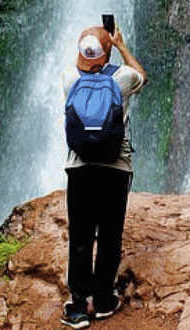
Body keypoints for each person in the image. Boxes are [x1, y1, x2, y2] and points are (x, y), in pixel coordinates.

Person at [59, 24, 145, 328]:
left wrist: (88, 48)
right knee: (109, 235)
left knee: (80, 237)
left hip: (80, 168)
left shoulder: (70, 77)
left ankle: (78, 306)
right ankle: (105, 300)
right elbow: (142, 76)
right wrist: (119, 45)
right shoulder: (122, 78)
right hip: (115, 168)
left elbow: (79, 65)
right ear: (107, 52)